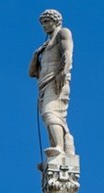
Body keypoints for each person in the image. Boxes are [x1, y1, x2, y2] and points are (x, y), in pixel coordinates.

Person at [29, 9, 75, 158]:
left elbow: (67, 53)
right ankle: (59, 151)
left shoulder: (63, 33)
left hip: (56, 81)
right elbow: (31, 73)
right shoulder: (45, 46)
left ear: (56, 21)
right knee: (48, 118)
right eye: (42, 23)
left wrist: (63, 72)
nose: (44, 26)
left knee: (51, 114)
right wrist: (36, 55)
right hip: (44, 84)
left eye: (46, 22)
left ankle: (59, 148)